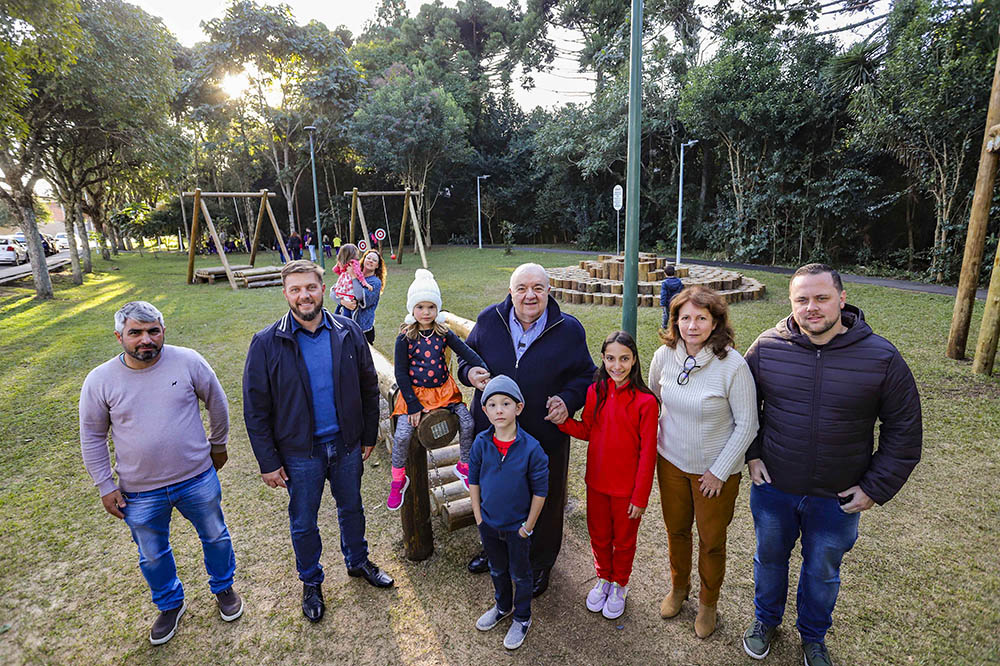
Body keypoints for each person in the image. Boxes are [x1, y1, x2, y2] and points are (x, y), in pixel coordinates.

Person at [741, 264, 922, 666]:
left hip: (836, 497)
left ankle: (813, 637)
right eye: (801, 299)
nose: (811, 308)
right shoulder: (767, 347)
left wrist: (875, 487)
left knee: (822, 572)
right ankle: (764, 621)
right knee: (769, 559)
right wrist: (752, 454)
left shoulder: (881, 357)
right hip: (775, 488)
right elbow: (742, 407)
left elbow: (905, 430)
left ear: (842, 299)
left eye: (821, 298)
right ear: (791, 303)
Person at [79, 301, 242, 645]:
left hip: (197, 477)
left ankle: (224, 588)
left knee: (215, 535)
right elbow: (92, 435)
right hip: (139, 492)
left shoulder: (188, 361)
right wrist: (105, 485)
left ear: (163, 331)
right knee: (152, 554)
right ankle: (170, 604)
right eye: (135, 333)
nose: (145, 340)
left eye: (153, 331)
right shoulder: (100, 380)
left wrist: (219, 444)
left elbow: (216, 401)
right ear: (119, 336)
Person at [242, 260, 393, 624]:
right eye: (295, 289)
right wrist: (268, 461)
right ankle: (311, 580)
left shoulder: (348, 331)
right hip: (299, 454)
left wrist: (368, 435)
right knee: (304, 521)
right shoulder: (266, 343)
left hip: (346, 446)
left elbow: (368, 386)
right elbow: (255, 408)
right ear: (285, 294)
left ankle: (357, 561)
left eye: (310, 287)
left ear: (323, 289)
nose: (303, 295)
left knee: (352, 508)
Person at [458, 263, 595, 597]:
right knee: (494, 492)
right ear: (510, 292)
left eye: (538, 288)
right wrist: (469, 374)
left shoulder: (569, 329)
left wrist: (567, 399)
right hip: (493, 435)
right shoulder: (489, 320)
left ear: (549, 291)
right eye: (521, 288)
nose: (529, 295)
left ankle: (541, 561)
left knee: (543, 497)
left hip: (545, 433)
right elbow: (465, 361)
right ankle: (494, 549)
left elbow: (586, 375)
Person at [648, 285, 759, 638]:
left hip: (715, 473)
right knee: (676, 530)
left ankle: (708, 603)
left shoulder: (733, 365)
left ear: (715, 322)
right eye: (685, 318)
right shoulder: (663, 357)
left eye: (701, 318)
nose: (692, 326)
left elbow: (748, 424)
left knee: (712, 541)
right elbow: (653, 400)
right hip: (670, 464)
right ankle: (679, 589)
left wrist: (718, 471)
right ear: (675, 321)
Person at [557, 330, 658, 620]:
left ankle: (619, 585)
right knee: (599, 536)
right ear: (602, 359)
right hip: (597, 483)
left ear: (635, 360)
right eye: (611, 358)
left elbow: (648, 454)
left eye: (624, 359)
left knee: (623, 541)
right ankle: (603, 579)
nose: (617, 366)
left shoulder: (646, 402)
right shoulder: (595, 392)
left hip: (627, 491)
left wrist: (640, 496)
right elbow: (587, 430)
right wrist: (563, 422)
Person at [388, 269, 489, 510]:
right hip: (415, 395)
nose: (426, 312)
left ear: (437, 309)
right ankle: (398, 479)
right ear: (412, 309)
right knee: (402, 435)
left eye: (431, 307)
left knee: (467, 422)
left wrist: (483, 367)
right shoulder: (405, 337)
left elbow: (465, 351)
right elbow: (400, 372)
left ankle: (463, 466)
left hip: (444, 392)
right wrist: (412, 404)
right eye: (420, 307)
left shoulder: (443, 332)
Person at [469, 376, 548, 651]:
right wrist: (479, 518)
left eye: (505, 403)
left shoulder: (532, 449)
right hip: (489, 524)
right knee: (497, 569)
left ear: (519, 407)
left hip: (518, 528)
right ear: (485, 410)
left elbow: (540, 492)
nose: (499, 410)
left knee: (521, 574)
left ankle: (522, 616)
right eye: (492, 404)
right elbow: (474, 481)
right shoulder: (480, 443)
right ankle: (503, 607)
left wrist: (527, 526)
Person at [338, 249, 385, 344]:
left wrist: (354, 277)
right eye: (369, 258)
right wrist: (343, 302)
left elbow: (360, 296)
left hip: (363, 330)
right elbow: (333, 293)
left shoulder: (375, 282)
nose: (371, 261)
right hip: (345, 325)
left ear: (377, 266)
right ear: (364, 260)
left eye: (374, 260)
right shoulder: (350, 273)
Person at [332, 243, 373, 309]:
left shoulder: (343, 264)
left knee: (345, 310)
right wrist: (365, 284)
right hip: (350, 290)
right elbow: (359, 275)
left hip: (342, 289)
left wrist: (342, 274)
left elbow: (335, 270)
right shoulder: (354, 263)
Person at [660, 265, 684, 330]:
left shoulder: (664, 283)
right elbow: (681, 292)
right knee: (676, 313)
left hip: (667, 302)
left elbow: (663, 294)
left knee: (666, 315)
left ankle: (664, 325)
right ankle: (676, 324)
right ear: (674, 272)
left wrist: (662, 303)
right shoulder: (679, 282)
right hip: (676, 301)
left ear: (665, 274)